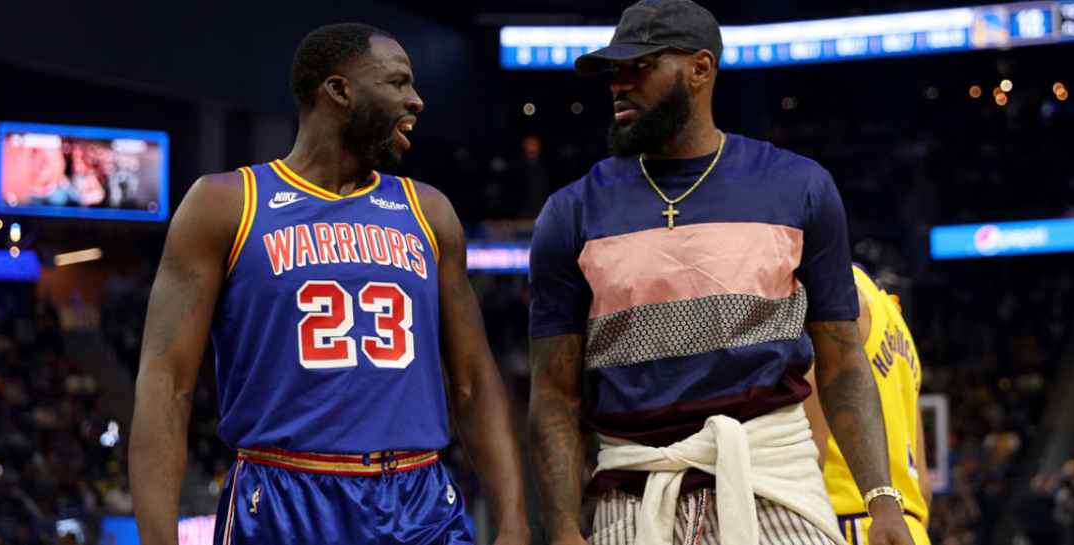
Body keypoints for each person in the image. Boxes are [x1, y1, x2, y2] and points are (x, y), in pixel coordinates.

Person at [526, 1, 916, 544]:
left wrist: (883, 499)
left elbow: (843, 359)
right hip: (632, 494)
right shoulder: (570, 212)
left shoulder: (798, 186)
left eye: (638, 67)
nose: (619, 85)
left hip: (775, 482)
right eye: (614, 71)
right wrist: (564, 528)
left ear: (700, 69)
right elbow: (553, 394)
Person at [129, 23, 529, 545]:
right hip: (282, 497)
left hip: (418, 499)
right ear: (339, 91)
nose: (417, 100)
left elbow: (474, 380)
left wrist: (515, 524)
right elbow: (167, 384)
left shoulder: (428, 210)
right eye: (397, 83)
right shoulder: (226, 203)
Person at [804, 266, 933, 545]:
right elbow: (923, 485)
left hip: (849, 523)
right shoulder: (893, 317)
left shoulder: (828, 290)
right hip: (908, 529)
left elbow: (810, 444)